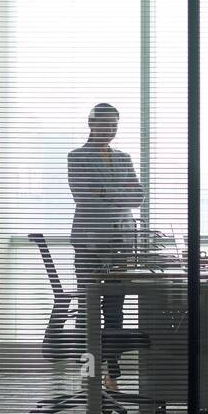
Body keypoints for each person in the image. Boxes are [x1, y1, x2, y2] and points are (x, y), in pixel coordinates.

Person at [67, 103, 145, 392]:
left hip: (121, 241)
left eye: (114, 125)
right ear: (91, 123)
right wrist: (117, 191)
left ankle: (112, 375)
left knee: (115, 309)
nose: (110, 130)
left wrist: (103, 191)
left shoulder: (123, 158)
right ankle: (89, 375)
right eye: (105, 124)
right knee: (89, 306)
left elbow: (139, 196)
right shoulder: (76, 157)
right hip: (90, 241)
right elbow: (83, 196)